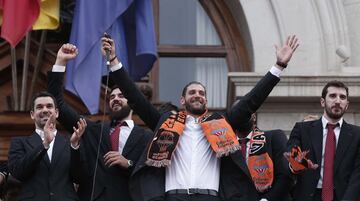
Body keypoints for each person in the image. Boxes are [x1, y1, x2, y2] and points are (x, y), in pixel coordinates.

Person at [101, 34, 299, 201]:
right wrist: (114, 62)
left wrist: (278, 66)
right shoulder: (164, 123)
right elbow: (135, 98)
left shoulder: (222, 123)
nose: (197, 95)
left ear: (206, 100)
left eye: (202, 93)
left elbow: (252, 100)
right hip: (173, 196)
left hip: (210, 197)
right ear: (182, 99)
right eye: (192, 92)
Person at [47, 44, 152, 201]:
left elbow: (151, 173)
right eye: (112, 97)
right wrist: (60, 62)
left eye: (121, 96)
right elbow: (58, 106)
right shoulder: (92, 129)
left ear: (132, 102)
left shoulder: (146, 137)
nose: (115, 99)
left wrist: (128, 162)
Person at [286, 80, 360, 201]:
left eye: (342, 97)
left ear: (347, 104)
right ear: (322, 102)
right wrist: (297, 163)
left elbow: (358, 174)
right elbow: (291, 154)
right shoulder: (302, 129)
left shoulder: (357, 135)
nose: (337, 101)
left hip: (343, 197)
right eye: (332, 96)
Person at [7, 92, 86, 201]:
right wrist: (44, 145)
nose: (45, 110)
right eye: (39, 107)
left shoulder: (71, 142)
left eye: (49, 106)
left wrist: (74, 146)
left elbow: (80, 177)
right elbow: (18, 172)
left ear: (56, 112)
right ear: (32, 114)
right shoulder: (19, 142)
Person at [220, 112, 293, 201]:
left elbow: (286, 175)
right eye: (238, 113)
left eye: (246, 112)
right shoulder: (224, 148)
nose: (241, 115)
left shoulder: (274, 137)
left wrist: (266, 199)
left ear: (254, 117)